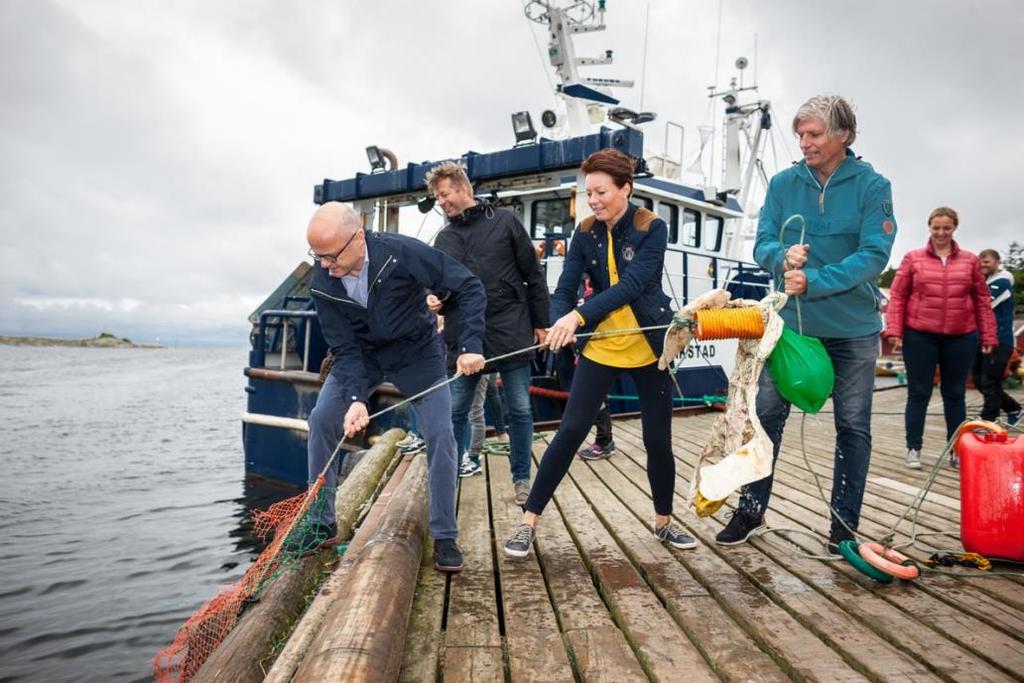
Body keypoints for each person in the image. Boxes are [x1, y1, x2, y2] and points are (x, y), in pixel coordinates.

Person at [714, 94, 897, 554]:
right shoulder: (781, 184)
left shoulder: (873, 186)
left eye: (814, 134)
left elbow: (874, 255)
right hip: (792, 329)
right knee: (767, 416)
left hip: (854, 329)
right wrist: (781, 257)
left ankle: (843, 526)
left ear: (843, 136)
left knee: (853, 427)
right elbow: (762, 245)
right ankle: (751, 510)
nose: (804, 143)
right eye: (800, 134)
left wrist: (813, 280)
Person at [503, 148, 696, 558]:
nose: (593, 201)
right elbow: (565, 286)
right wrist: (559, 322)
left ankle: (664, 522)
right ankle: (528, 521)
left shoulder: (652, 228)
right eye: (588, 192)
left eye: (601, 192)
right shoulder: (585, 231)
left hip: (648, 348)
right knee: (570, 431)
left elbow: (633, 286)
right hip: (603, 347)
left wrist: (576, 317)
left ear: (626, 188)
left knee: (657, 440)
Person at [303, 202, 486, 573]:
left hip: (416, 353)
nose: (324, 265)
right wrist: (356, 399)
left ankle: (445, 534)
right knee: (322, 420)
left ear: (357, 238)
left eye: (330, 256)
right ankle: (320, 522)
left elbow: (468, 285)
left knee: (441, 433)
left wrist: (470, 346)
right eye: (316, 256)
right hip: (362, 356)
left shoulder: (400, 252)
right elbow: (345, 348)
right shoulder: (322, 281)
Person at [425, 161, 550, 506]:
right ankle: (447, 477)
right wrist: (435, 297)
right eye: (438, 197)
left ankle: (522, 478)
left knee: (521, 409)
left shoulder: (506, 222)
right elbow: (442, 283)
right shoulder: (445, 237)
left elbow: (532, 274)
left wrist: (541, 322)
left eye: (445, 194)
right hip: (467, 337)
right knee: (456, 410)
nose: (442, 202)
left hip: (511, 328)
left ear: (463, 188)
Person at [885, 210, 998, 468]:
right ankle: (914, 447)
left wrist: (988, 334)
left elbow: (981, 300)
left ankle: (956, 449)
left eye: (946, 228)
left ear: (954, 229)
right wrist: (895, 331)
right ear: (930, 228)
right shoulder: (913, 258)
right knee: (919, 392)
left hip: (961, 337)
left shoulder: (970, 261)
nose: (941, 233)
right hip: (920, 335)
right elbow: (898, 296)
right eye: (936, 228)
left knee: (955, 394)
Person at [973, 249, 1021, 426]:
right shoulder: (985, 282)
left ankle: (988, 420)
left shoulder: (1002, 282)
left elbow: (984, 304)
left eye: (987, 261)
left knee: (989, 380)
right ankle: (1013, 408)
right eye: (981, 262)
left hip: (999, 340)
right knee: (978, 380)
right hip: (981, 339)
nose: (983, 265)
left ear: (997, 262)